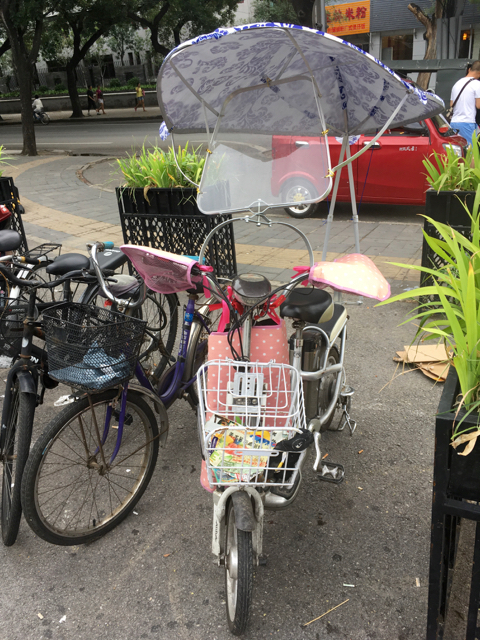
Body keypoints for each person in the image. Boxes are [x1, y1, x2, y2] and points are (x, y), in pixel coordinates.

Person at [450, 61, 480, 144]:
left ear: (469, 69)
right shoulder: (477, 84)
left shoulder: (457, 83)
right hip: (467, 122)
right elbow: (478, 105)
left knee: (457, 149)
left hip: (454, 122)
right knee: (470, 150)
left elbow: (451, 104)